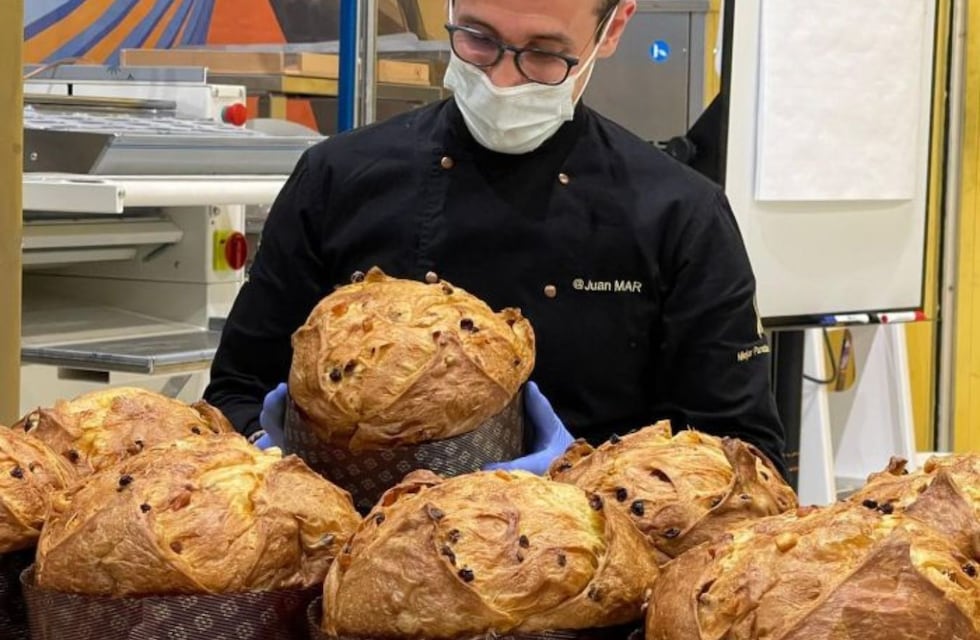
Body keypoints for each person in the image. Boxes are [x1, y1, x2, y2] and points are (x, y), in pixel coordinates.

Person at [204, 0, 787, 476]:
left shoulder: (680, 213)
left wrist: (581, 485)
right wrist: (271, 451)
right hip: (356, 554)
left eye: (544, 54)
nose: (504, 81)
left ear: (613, 29)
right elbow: (237, 390)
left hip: (589, 569)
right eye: (478, 39)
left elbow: (743, 452)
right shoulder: (336, 179)